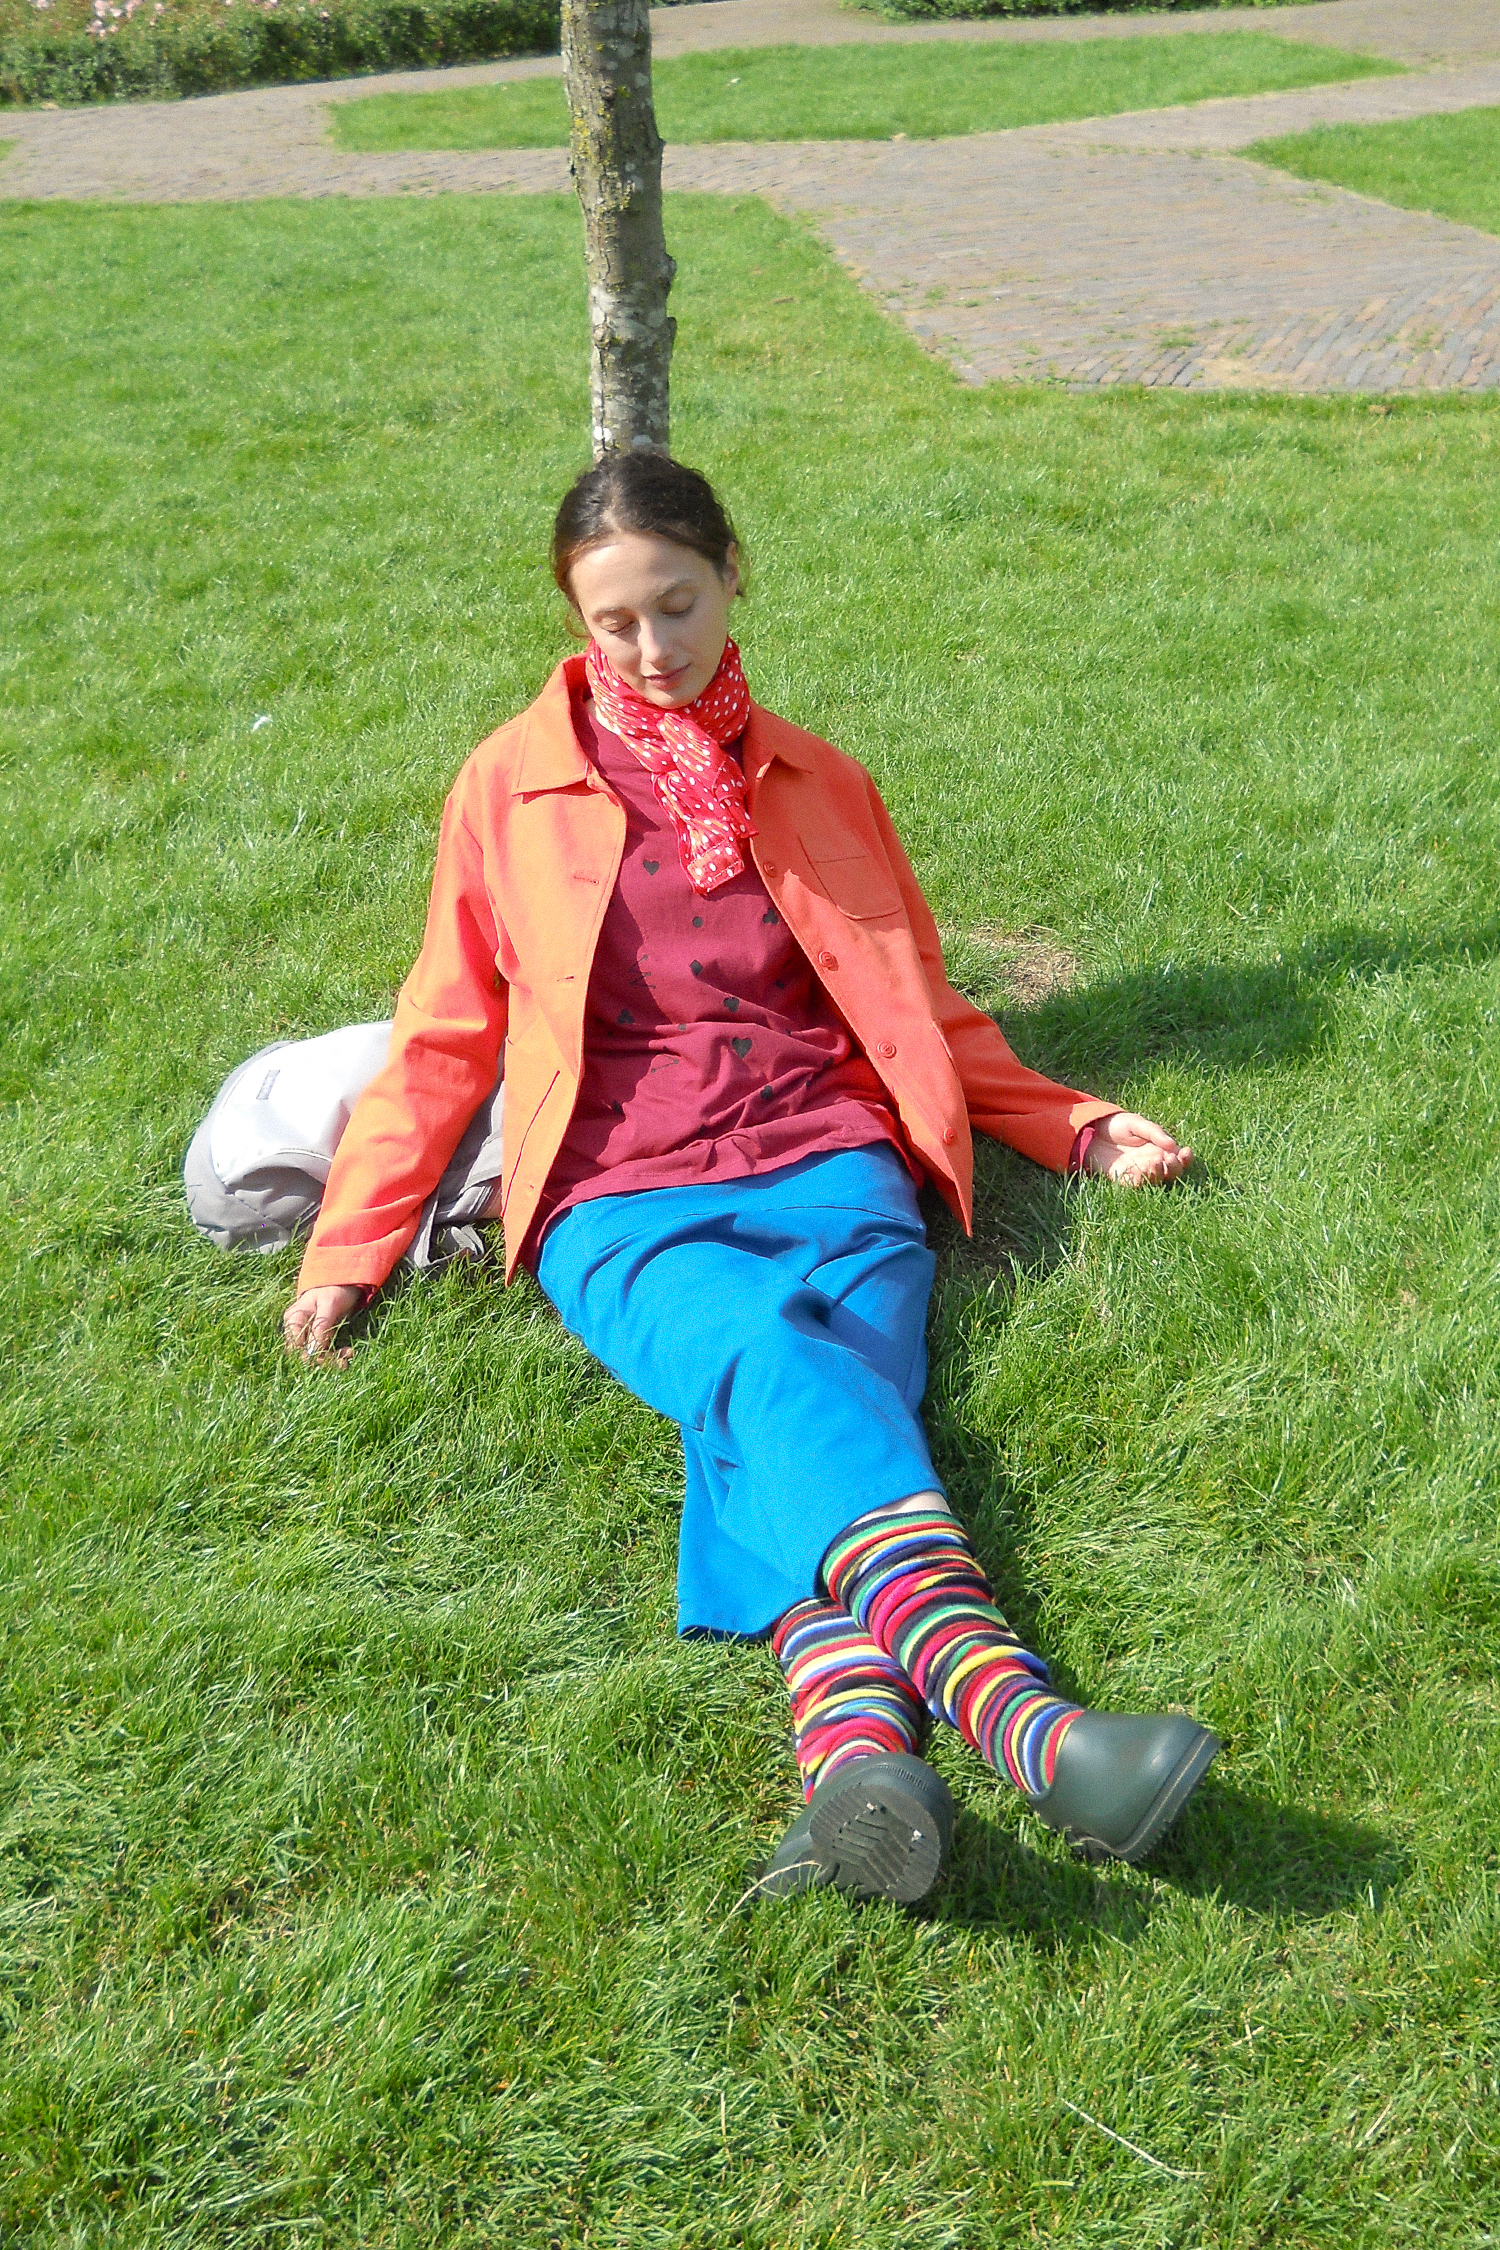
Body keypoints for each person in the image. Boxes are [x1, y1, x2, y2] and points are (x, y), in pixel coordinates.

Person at [283, 453, 1217, 1907]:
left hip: (832, 1160)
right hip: (618, 1189)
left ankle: (854, 1769)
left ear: (732, 575)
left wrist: (1072, 1123)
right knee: (771, 1362)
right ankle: (1030, 1728)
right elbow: (446, 1032)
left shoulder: (822, 781)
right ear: (573, 620)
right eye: (613, 621)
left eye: (677, 604)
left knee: (784, 1416)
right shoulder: (507, 788)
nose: (652, 647)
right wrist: (351, 1243)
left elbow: (918, 1004)